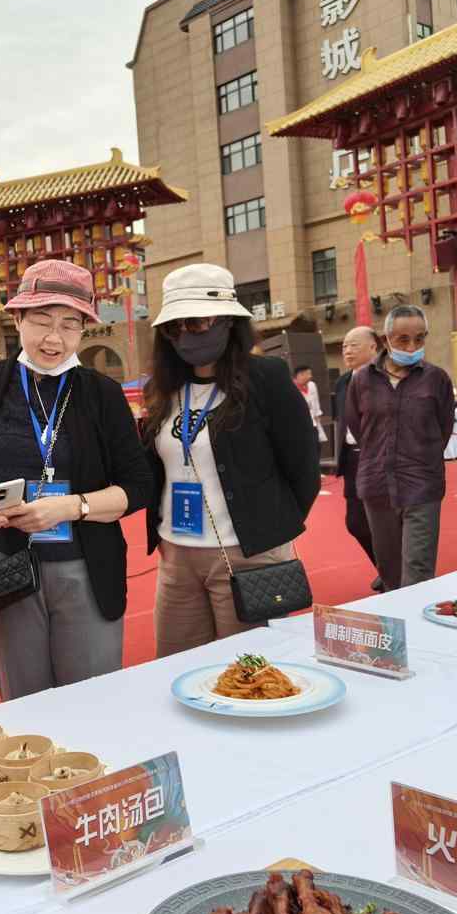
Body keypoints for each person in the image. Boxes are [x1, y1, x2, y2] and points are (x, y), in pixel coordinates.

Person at [0, 259, 152, 701]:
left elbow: (137, 485)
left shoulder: (103, 394)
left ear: (83, 329)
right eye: (41, 321)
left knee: (92, 698)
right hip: (10, 565)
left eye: (69, 325)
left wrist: (72, 506)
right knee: (25, 701)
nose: (54, 338)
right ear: (17, 318)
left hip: (87, 568)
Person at [143, 264, 321, 657]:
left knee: (249, 673)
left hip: (249, 555)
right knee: (176, 667)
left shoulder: (266, 378)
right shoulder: (163, 390)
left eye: (197, 322)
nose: (185, 335)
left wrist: (268, 533)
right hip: (177, 557)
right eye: (174, 327)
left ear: (227, 322)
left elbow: (304, 466)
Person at [346, 304, 454, 592]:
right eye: (403, 339)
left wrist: (418, 458)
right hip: (377, 488)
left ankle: (420, 632)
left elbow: (444, 428)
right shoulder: (362, 380)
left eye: (420, 339)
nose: (412, 346)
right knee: (390, 573)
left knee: (417, 574)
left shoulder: (437, 379)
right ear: (385, 339)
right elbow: (358, 427)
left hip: (421, 487)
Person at [332, 326, 381, 592]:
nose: (347, 351)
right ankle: (384, 568)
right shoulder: (342, 382)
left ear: (373, 347)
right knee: (356, 522)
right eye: (344, 347)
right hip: (352, 459)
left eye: (354, 345)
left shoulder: (385, 377)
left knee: (385, 520)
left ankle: (396, 573)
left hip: (379, 458)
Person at [294, 365, 327, 444]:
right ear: (300, 375)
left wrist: (318, 415)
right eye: (308, 374)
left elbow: (316, 401)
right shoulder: (291, 387)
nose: (310, 376)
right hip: (300, 424)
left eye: (310, 374)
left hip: (314, 422)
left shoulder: (312, 385)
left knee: (316, 445)